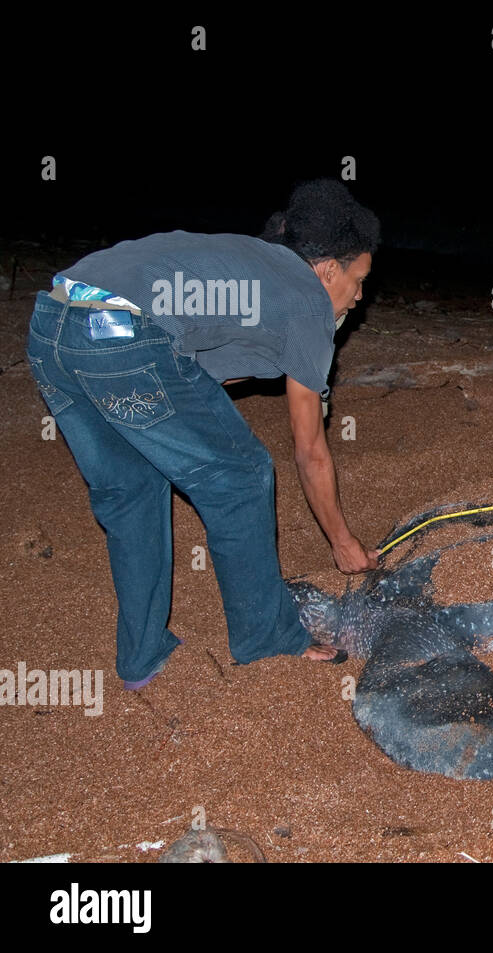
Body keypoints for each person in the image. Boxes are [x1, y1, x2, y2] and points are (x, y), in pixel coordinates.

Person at [26, 179, 380, 688]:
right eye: (359, 279)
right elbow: (310, 450)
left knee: (131, 489)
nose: (361, 295)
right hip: (121, 334)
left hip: (52, 324)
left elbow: (192, 368)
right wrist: (343, 543)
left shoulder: (255, 265)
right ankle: (267, 639)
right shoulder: (307, 302)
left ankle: (142, 659)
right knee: (240, 474)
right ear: (327, 272)